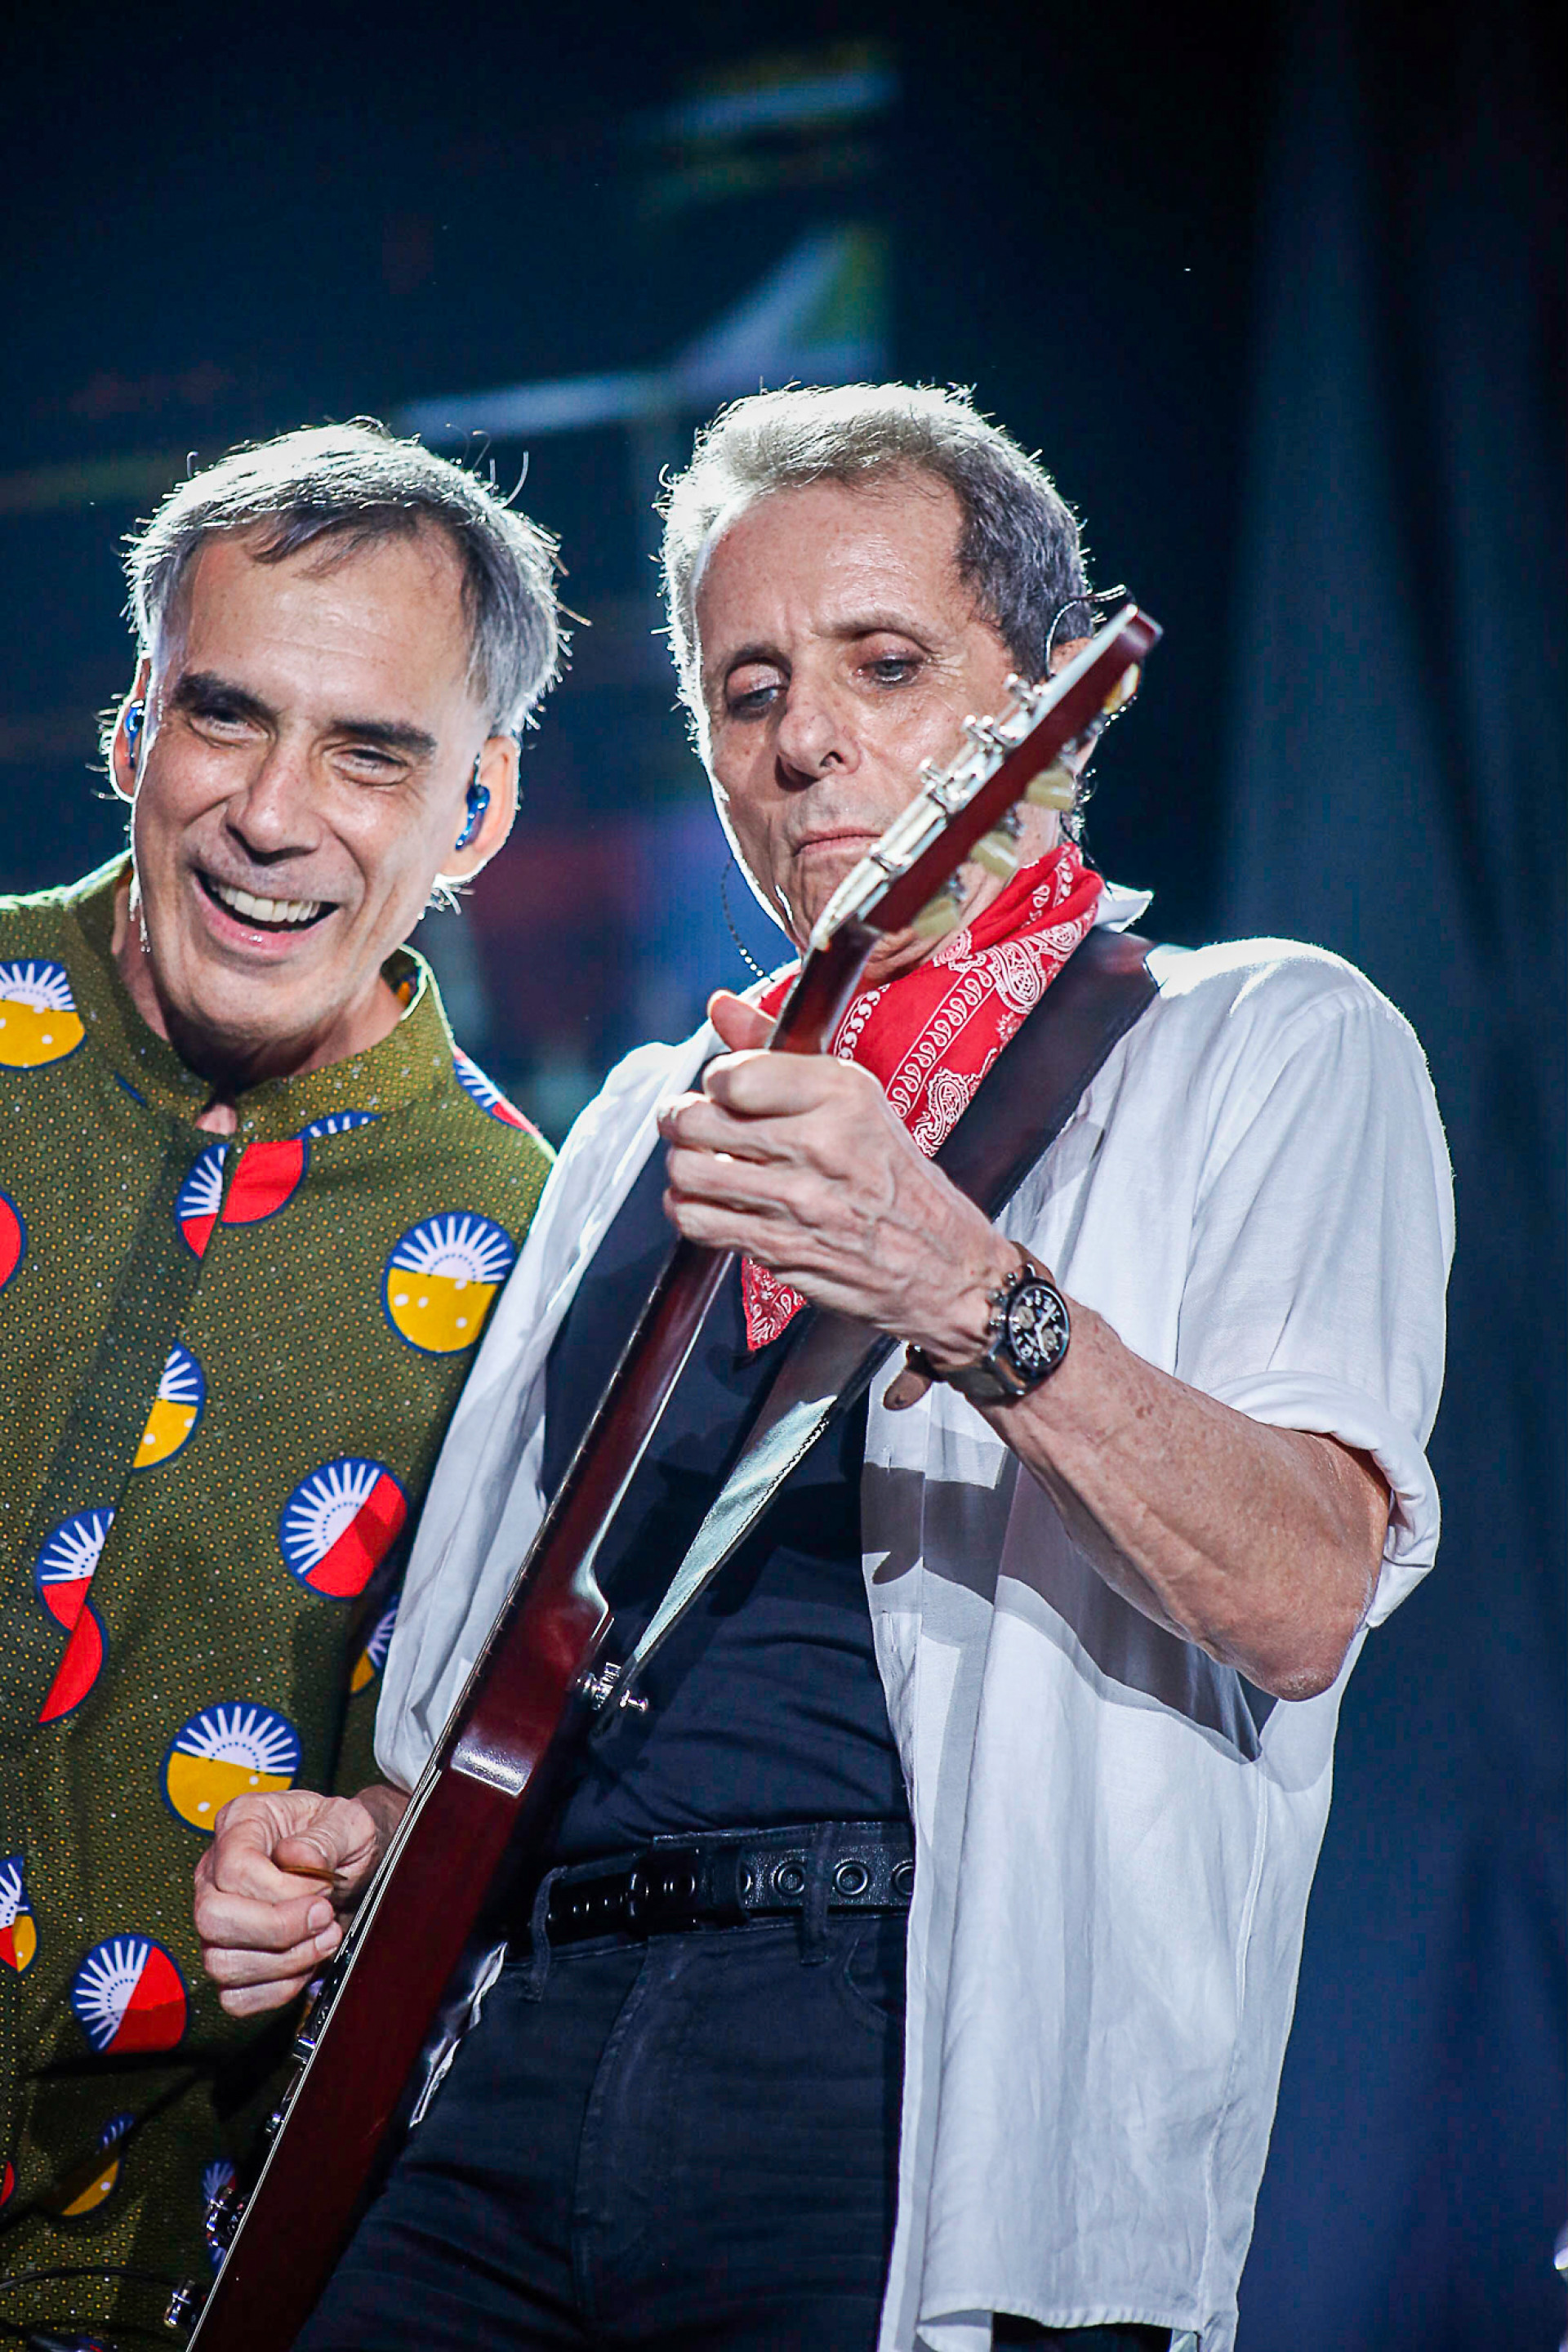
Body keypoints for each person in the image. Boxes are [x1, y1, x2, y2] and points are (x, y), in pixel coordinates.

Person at [196, 385, 1453, 2352]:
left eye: (885, 664)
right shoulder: (639, 1116)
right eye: (747, 686)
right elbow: (497, 1671)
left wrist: (967, 1288)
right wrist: (371, 1846)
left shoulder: (1267, 1041)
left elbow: (1306, 1594)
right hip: (522, 2036)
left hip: (889, 2043)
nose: (808, 741)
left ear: (1053, 693)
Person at [0, 421, 562, 2341]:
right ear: (131, 732)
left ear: (476, 813)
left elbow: (483, 1801)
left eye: (373, 751)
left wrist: (362, 1855)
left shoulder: (529, 1258)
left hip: (134, 2269)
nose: (274, 811)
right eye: (227, 717)